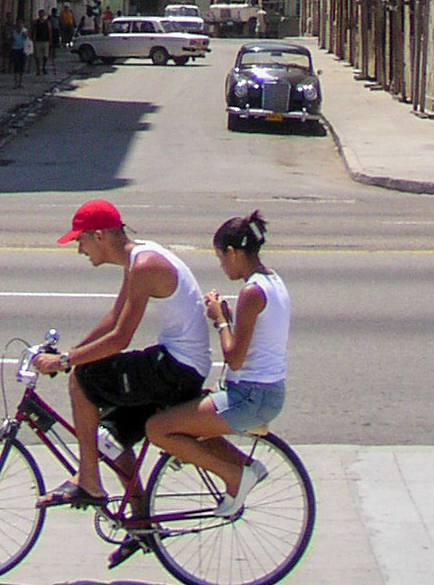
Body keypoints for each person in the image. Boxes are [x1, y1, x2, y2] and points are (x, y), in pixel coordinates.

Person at [31, 198, 210, 564]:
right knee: (107, 438)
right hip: (177, 364)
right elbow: (114, 317)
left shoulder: (144, 265)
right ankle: (141, 523)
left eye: (80, 240)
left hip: (177, 368)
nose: (78, 249)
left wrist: (68, 362)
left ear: (99, 236)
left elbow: (120, 338)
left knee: (84, 378)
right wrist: (69, 352)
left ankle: (88, 483)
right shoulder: (137, 259)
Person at [147, 211, 289, 520]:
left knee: (157, 428)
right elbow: (252, 340)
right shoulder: (272, 281)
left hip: (251, 396)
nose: (221, 265)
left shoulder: (251, 292)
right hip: (263, 391)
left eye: (221, 258)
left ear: (233, 253)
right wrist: (227, 316)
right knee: (180, 408)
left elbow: (234, 357)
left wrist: (220, 319)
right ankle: (247, 467)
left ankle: (235, 478)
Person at [9, 21, 28, 88]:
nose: (20, 27)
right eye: (19, 26)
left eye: (21, 26)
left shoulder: (24, 32)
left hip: (22, 49)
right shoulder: (13, 32)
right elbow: (11, 40)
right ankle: (16, 82)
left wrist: (25, 35)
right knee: (16, 65)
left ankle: (20, 82)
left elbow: (27, 39)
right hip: (15, 49)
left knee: (21, 66)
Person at [33, 11, 51, 77]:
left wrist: (50, 40)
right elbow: (33, 30)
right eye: (40, 14)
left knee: (45, 56)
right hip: (38, 40)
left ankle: (43, 66)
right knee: (37, 56)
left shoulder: (47, 22)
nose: (41, 15)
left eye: (42, 14)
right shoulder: (36, 22)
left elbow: (49, 30)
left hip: (45, 40)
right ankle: (38, 69)